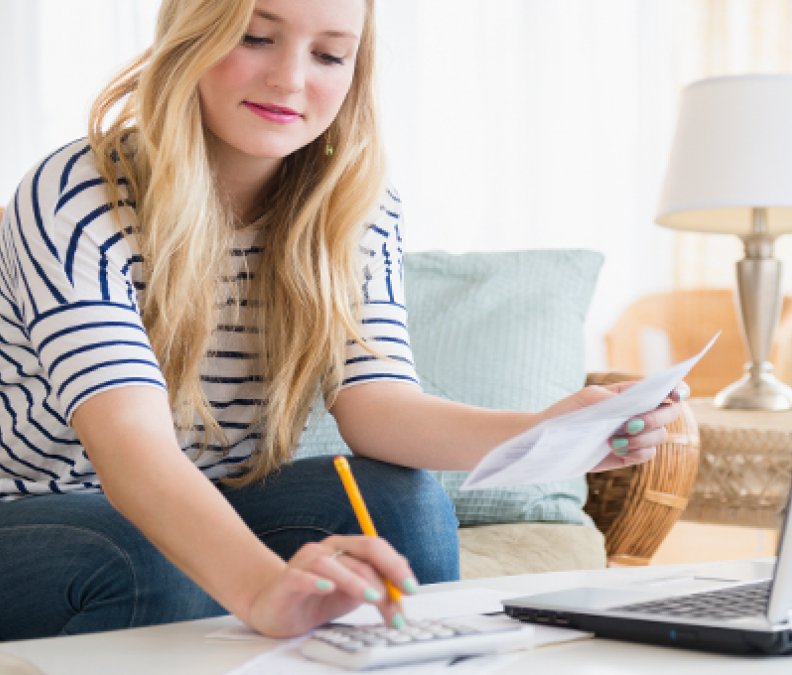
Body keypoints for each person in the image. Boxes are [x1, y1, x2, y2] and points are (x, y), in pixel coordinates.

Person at [0, 0, 682, 641]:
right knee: (145, 559)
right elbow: (132, 453)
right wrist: (266, 587)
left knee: (400, 506)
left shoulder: (355, 206)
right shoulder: (78, 192)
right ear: (193, 36)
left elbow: (377, 405)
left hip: (209, 494)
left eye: (329, 55)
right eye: (256, 36)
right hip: (34, 515)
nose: (290, 79)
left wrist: (545, 432)